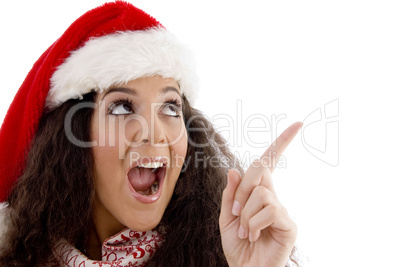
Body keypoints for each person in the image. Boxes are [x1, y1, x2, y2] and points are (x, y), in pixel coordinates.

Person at [0, 1, 301, 266]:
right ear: (74, 139)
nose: (155, 134)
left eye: (171, 107)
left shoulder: (220, 256)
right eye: (121, 108)